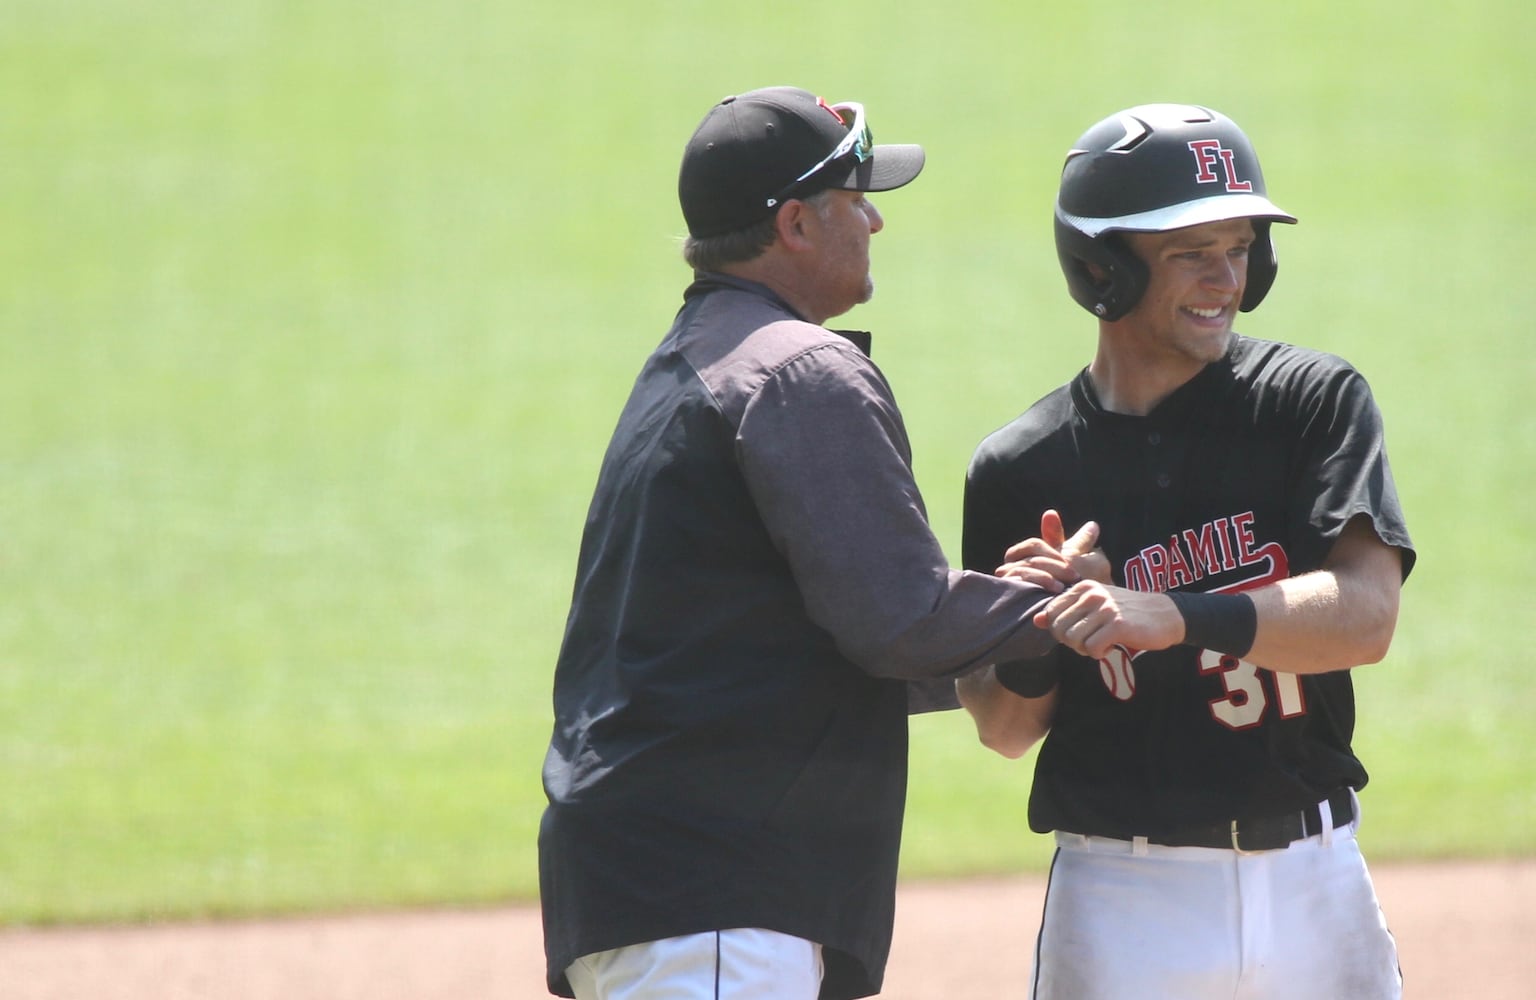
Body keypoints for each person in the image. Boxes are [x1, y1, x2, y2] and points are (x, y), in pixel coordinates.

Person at [536, 86, 1114, 1000]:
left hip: (653, 883)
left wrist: (997, 613)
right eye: (855, 198)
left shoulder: (696, 357)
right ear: (796, 224)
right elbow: (898, 620)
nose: (876, 220)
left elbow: (824, 623)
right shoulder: (798, 369)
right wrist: (1075, 608)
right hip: (717, 888)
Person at [955, 103, 1418, 999]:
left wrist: (1166, 615)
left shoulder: (1308, 404)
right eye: (1187, 253)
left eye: (1239, 247)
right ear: (1104, 269)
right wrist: (1045, 625)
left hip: (1314, 881)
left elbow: (1366, 618)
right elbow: (1005, 729)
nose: (1224, 280)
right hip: (1125, 895)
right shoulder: (1022, 467)